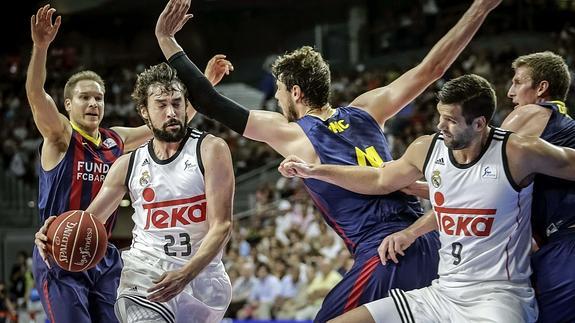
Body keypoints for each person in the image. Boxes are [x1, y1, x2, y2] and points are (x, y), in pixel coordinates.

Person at [154, 0, 501, 320]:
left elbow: (211, 103)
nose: (275, 99)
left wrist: (167, 39)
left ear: (295, 92)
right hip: (430, 244)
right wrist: (480, 8)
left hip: (386, 253)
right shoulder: (368, 109)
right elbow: (432, 68)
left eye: (277, 91)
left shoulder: (292, 133)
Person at [278, 74, 575, 323]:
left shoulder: (518, 152)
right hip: (441, 293)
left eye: (450, 120)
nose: (440, 126)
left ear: (480, 123)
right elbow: (379, 179)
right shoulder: (428, 148)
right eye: (439, 116)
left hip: (498, 298)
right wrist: (314, 170)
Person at [27, 5, 232, 322]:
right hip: (61, 247)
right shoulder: (60, 137)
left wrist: (205, 86)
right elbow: (36, 93)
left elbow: (165, 121)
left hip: (101, 251)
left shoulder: (115, 140)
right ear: (68, 104)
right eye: (85, 97)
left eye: (99, 97)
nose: (94, 103)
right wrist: (41, 48)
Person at [501, 51, 575, 323]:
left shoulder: (531, 113)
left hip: (568, 245)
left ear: (541, 88)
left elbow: (482, 173)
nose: (510, 92)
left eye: (518, 82)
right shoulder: (562, 126)